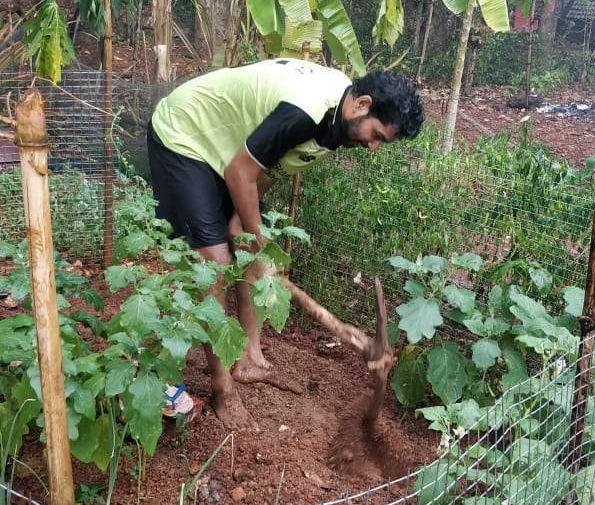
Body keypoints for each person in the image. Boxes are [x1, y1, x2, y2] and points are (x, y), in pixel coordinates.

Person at [147, 58, 424, 429]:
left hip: (229, 153)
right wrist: (261, 246)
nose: (373, 147)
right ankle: (222, 388)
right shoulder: (307, 110)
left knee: (245, 243)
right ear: (363, 105)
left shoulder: (335, 125)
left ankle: (249, 357)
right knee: (212, 262)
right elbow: (239, 172)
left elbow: (268, 168)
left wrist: (247, 234)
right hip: (186, 134)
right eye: (376, 135)